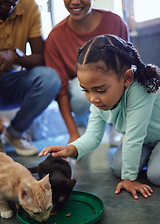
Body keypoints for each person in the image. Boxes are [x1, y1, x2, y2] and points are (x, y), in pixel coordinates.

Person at [39, 34, 160, 200]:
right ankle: (150, 156)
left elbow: (133, 137)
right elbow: (93, 136)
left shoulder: (140, 88)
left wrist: (129, 179)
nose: (93, 98)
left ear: (127, 78)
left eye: (100, 90)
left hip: (150, 137)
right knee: (118, 168)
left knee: (156, 175)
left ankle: (152, 159)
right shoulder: (98, 100)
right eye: (86, 90)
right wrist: (71, 149)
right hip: (146, 140)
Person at [44, 0, 129, 144]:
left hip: (117, 93)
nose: (75, 1)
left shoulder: (115, 22)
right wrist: (73, 134)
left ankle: (118, 124)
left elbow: (128, 66)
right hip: (79, 98)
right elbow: (61, 91)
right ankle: (84, 128)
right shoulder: (55, 37)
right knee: (80, 91)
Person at [0, 0, 61, 156]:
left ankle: (14, 132)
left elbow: (40, 58)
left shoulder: (28, 6)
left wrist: (14, 56)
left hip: (11, 82)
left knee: (49, 78)